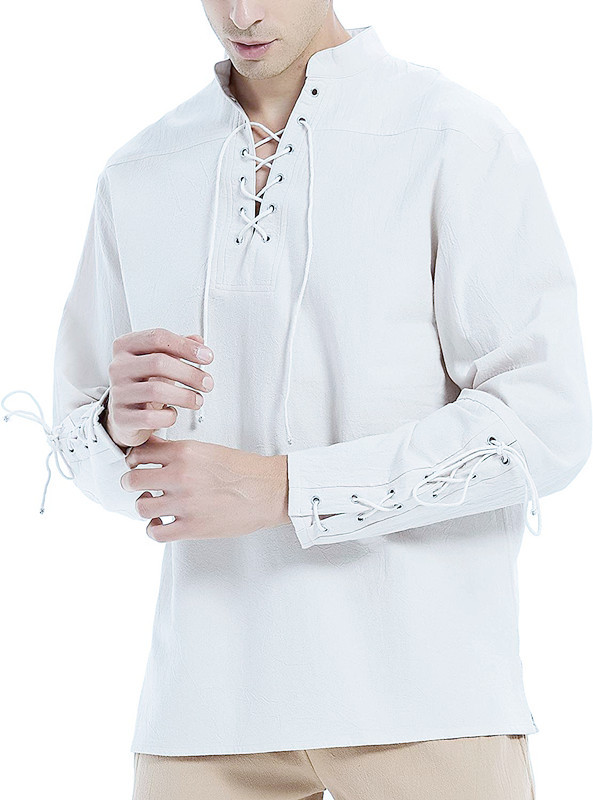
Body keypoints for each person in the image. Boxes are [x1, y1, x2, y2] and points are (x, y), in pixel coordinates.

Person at [2, 2, 591, 798]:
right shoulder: (142, 168)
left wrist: (285, 488)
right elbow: (77, 440)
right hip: (202, 714)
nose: (241, 14)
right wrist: (118, 426)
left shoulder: (451, 137)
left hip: (426, 702)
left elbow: (542, 425)